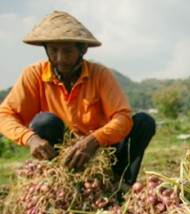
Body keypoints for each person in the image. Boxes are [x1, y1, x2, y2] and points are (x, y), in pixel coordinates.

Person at [0, 11, 155, 188]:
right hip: (61, 155)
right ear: (46, 49)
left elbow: (123, 117)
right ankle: (59, 184)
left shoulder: (99, 74)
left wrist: (93, 140)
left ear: (82, 50)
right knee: (44, 122)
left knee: (144, 122)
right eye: (53, 50)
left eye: (67, 51)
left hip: (101, 152)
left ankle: (118, 185)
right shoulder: (34, 74)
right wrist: (30, 138)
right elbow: (4, 115)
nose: (60, 59)